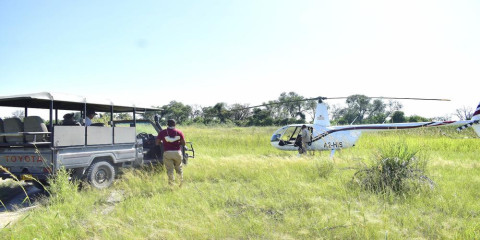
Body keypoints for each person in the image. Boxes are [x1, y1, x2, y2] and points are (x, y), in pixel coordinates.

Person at [155, 119, 186, 186]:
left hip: (167, 153)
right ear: (175, 124)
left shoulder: (162, 132)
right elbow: (183, 143)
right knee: (179, 169)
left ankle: (171, 185)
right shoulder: (179, 132)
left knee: (170, 170)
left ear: (167, 124)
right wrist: (178, 143)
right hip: (177, 153)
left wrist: (163, 143)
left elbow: (157, 142)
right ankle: (180, 184)